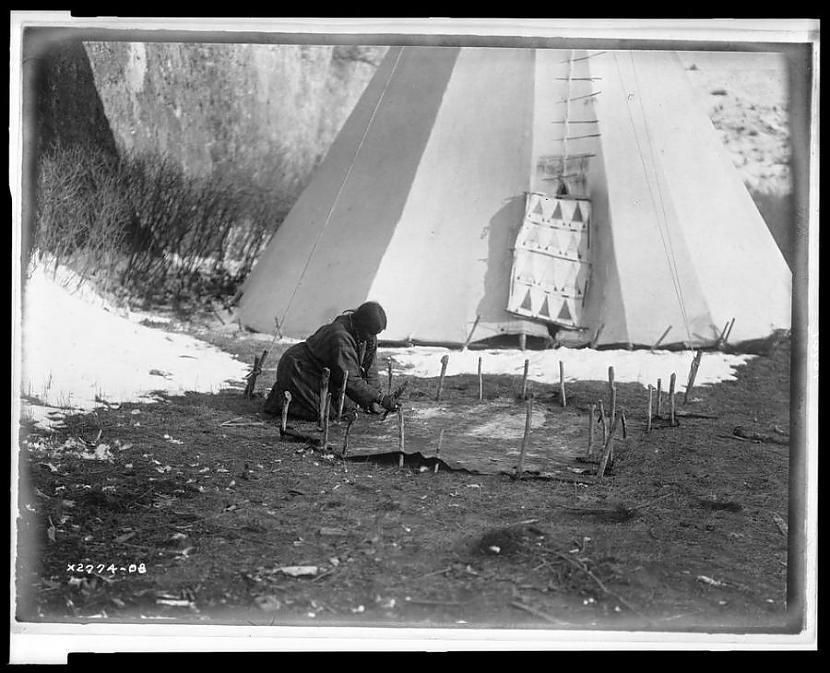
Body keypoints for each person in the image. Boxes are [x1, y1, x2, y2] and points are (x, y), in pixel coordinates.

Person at [263, 301, 399, 421]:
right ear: (361, 325)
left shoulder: (367, 336)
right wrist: (380, 399)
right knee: (325, 413)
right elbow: (349, 380)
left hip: (320, 372)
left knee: (348, 406)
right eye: (371, 333)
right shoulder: (340, 336)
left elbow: (371, 371)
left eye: (375, 334)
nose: (373, 337)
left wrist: (376, 400)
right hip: (298, 369)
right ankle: (280, 400)